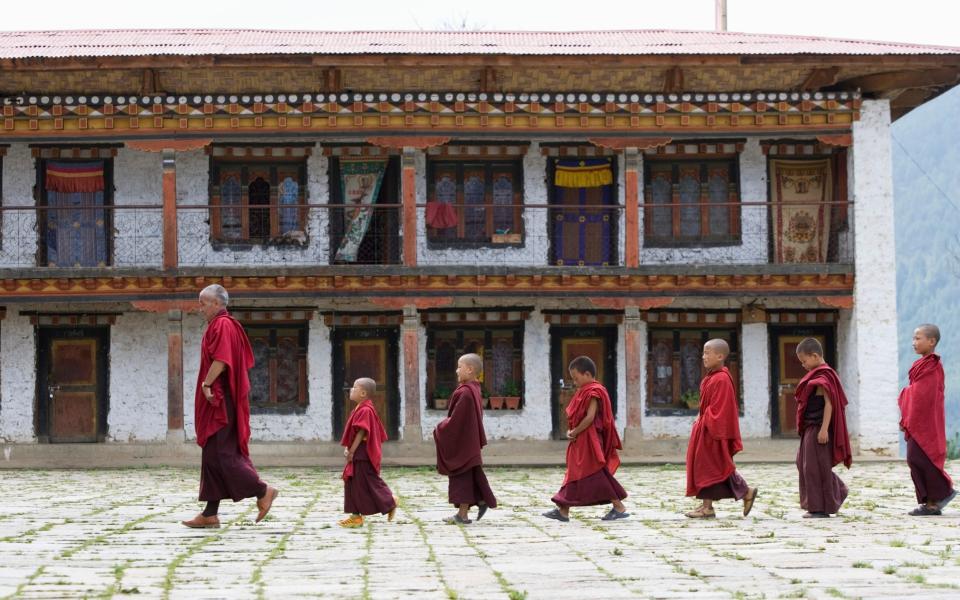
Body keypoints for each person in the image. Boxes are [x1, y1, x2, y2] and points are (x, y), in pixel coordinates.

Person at [181, 284, 278, 528]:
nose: (200, 308)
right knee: (213, 455)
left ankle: (262, 490)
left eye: (203, 303)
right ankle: (210, 513)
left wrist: (206, 383)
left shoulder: (224, 324)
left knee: (223, 455)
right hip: (218, 399)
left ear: (217, 304)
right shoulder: (219, 324)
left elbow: (222, 360)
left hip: (220, 400)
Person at [543, 356, 628, 522]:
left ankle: (618, 506)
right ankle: (563, 509)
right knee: (576, 471)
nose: (574, 382)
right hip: (582, 438)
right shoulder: (585, 390)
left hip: (590, 439)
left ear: (587, 374)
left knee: (594, 471)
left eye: (576, 378)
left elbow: (590, 418)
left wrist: (574, 431)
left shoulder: (595, 390)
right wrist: (573, 431)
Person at [685, 339, 758, 519]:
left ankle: (745, 492)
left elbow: (720, 409)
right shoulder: (712, 377)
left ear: (720, 356)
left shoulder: (722, 379)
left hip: (714, 431)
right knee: (709, 467)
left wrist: (704, 419)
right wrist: (700, 419)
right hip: (706, 429)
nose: (704, 357)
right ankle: (707, 507)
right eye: (703, 353)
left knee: (716, 466)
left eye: (707, 352)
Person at [899, 324, 956, 516]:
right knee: (915, 458)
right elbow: (916, 392)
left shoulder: (933, 366)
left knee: (921, 458)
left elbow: (924, 395)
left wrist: (906, 395)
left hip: (927, 422)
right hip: (918, 420)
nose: (913, 343)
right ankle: (931, 500)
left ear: (931, 342)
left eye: (918, 338)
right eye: (913, 339)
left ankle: (935, 500)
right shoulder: (921, 364)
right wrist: (908, 398)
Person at [433, 353, 497, 524]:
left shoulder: (467, 393)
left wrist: (440, 428)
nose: (456, 371)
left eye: (459, 367)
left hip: (464, 443)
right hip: (469, 441)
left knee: (462, 475)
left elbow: (457, 421)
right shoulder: (473, 389)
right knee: (470, 474)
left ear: (470, 370)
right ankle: (481, 501)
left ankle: (463, 514)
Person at [794, 337, 852, 518]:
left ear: (815, 356)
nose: (803, 365)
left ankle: (820, 507)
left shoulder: (823, 376)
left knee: (814, 467)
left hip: (819, 427)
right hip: (811, 426)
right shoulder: (818, 374)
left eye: (804, 361)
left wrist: (824, 429)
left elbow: (829, 404)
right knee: (804, 463)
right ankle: (838, 490)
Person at [339, 377, 398, 528]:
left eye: (354, 387)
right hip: (357, 451)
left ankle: (390, 501)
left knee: (369, 480)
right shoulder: (360, 407)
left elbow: (361, 431)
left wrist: (351, 450)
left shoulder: (365, 409)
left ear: (363, 393)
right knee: (353, 484)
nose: (351, 390)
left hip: (362, 453)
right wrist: (349, 447)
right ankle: (355, 516)